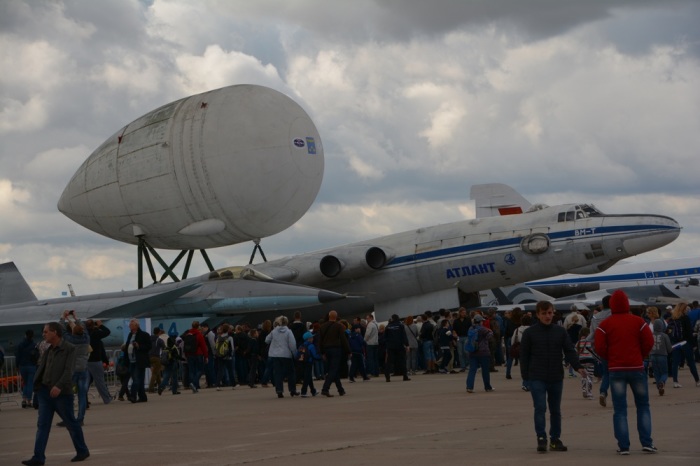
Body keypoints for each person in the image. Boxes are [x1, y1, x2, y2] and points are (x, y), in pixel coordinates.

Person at [520, 300, 587, 453]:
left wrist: (578, 366)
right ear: (538, 315)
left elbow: (569, 350)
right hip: (537, 376)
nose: (548, 316)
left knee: (555, 410)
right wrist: (526, 377)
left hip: (556, 376)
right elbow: (524, 356)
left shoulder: (560, 331)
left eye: (550, 313)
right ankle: (541, 438)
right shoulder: (530, 333)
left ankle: (555, 439)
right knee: (540, 408)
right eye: (544, 313)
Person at [594, 290, 656, 455]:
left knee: (620, 409)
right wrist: (640, 355)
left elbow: (599, 347)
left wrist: (610, 357)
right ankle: (647, 442)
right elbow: (649, 341)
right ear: (627, 304)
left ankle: (624, 446)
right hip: (636, 368)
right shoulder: (639, 322)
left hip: (616, 370)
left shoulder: (605, 325)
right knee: (643, 406)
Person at [22, 322, 90, 465]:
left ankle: (82, 450)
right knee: (42, 425)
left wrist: (59, 386)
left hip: (62, 394)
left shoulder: (69, 349)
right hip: (45, 393)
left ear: (55, 333)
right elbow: (43, 368)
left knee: (71, 423)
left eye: (46, 332)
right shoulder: (48, 350)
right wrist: (38, 387)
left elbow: (69, 370)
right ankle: (38, 457)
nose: (43, 334)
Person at [61, 321, 90, 426]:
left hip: (72, 371)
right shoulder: (86, 339)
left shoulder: (70, 340)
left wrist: (63, 318)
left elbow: (63, 331)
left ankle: (69, 418)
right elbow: (85, 329)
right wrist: (76, 319)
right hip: (83, 370)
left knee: (69, 395)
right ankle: (80, 418)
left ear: (73, 332)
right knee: (82, 396)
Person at [265, 315, 298, 398]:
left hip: (275, 355)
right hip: (286, 355)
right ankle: (292, 390)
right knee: (291, 373)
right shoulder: (288, 331)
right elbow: (292, 344)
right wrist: (295, 354)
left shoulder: (274, 331)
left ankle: (279, 390)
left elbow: (266, 340)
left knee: (278, 373)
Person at [319, 310, 350, 396]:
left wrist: (322, 352)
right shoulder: (338, 326)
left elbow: (320, 341)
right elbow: (343, 340)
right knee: (333, 369)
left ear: (329, 316)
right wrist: (348, 351)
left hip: (326, 350)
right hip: (336, 349)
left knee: (333, 369)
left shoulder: (322, 326)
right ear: (336, 317)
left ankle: (340, 389)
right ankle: (325, 388)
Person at [668, 302, 700, 388]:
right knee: (691, 362)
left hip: (675, 343)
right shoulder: (685, 318)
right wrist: (694, 344)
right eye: (686, 308)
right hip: (685, 343)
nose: (687, 310)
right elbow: (689, 333)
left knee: (675, 363)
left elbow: (669, 331)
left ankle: (675, 382)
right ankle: (697, 380)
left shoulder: (672, 318)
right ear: (683, 309)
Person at [588, 295, 612, 407]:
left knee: (606, 372)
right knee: (617, 373)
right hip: (614, 346)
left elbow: (592, 334)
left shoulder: (596, 317)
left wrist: (593, 347)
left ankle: (603, 391)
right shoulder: (614, 315)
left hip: (601, 347)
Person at [84, 319, 112, 405]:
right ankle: (106, 399)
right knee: (100, 381)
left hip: (85, 361)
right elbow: (107, 332)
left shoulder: (84, 334)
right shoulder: (96, 334)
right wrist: (100, 325)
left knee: (85, 382)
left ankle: (83, 399)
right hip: (95, 360)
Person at [465, 314, 494, 393]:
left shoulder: (470, 328)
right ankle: (487, 387)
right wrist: (490, 331)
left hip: (472, 352)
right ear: (480, 321)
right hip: (483, 352)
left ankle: (469, 387)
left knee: (472, 370)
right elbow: (489, 336)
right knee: (485, 370)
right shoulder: (483, 329)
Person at [124, 319, 151, 403]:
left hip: (140, 360)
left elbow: (149, 346)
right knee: (139, 379)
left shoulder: (144, 335)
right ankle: (142, 396)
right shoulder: (130, 335)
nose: (129, 326)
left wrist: (139, 346)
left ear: (136, 326)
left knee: (136, 379)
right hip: (131, 360)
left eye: (131, 325)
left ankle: (133, 395)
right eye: (129, 325)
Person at [16, 329, 39, 409]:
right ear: (32, 336)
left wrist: (17, 366)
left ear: (25, 335)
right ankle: (29, 401)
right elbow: (36, 356)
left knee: (25, 383)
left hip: (22, 366)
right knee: (30, 383)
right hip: (31, 366)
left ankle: (24, 400)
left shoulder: (20, 345)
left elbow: (17, 356)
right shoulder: (34, 345)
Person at [182, 321, 208, 393]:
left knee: (191, 371)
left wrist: (186, 355)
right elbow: (203, 346)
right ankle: (193, 383)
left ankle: (194, 386)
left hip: (189, 354)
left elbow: (185, 345)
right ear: (198, 326)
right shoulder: (199, 335)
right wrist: (206, 356)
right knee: (200, 370)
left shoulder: (188, 334)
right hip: (198, 354)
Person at [384, 314, 410, 382]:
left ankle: (387, 376)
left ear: (392, 319)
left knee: (389, 362)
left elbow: (385, 338)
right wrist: (407, 345)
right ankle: (405, 376)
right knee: (402, 361)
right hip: (400, 346)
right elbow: (404, 336)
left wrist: (387, 346)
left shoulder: (388, 326)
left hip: (391, 347)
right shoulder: (401, 325)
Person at [649, 317, 672, 396]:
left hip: (652, 356)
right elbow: (669, 349)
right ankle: (662, 382)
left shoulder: (650, 335)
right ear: (662, 326)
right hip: (662, 356)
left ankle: (659, 387)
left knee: (656, 372)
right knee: (664, 372)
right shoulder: (664, 336)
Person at [299, 331, 321, 397]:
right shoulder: (311, 346)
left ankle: (313, 391)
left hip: (302, 362)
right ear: (309, 339)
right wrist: (320, 357)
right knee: (307, 377)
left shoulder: (302, 345)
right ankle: (303, 391)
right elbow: (315, 355)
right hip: (309, 362)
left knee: (308, 376)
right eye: (312, 337)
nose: (313, 338)